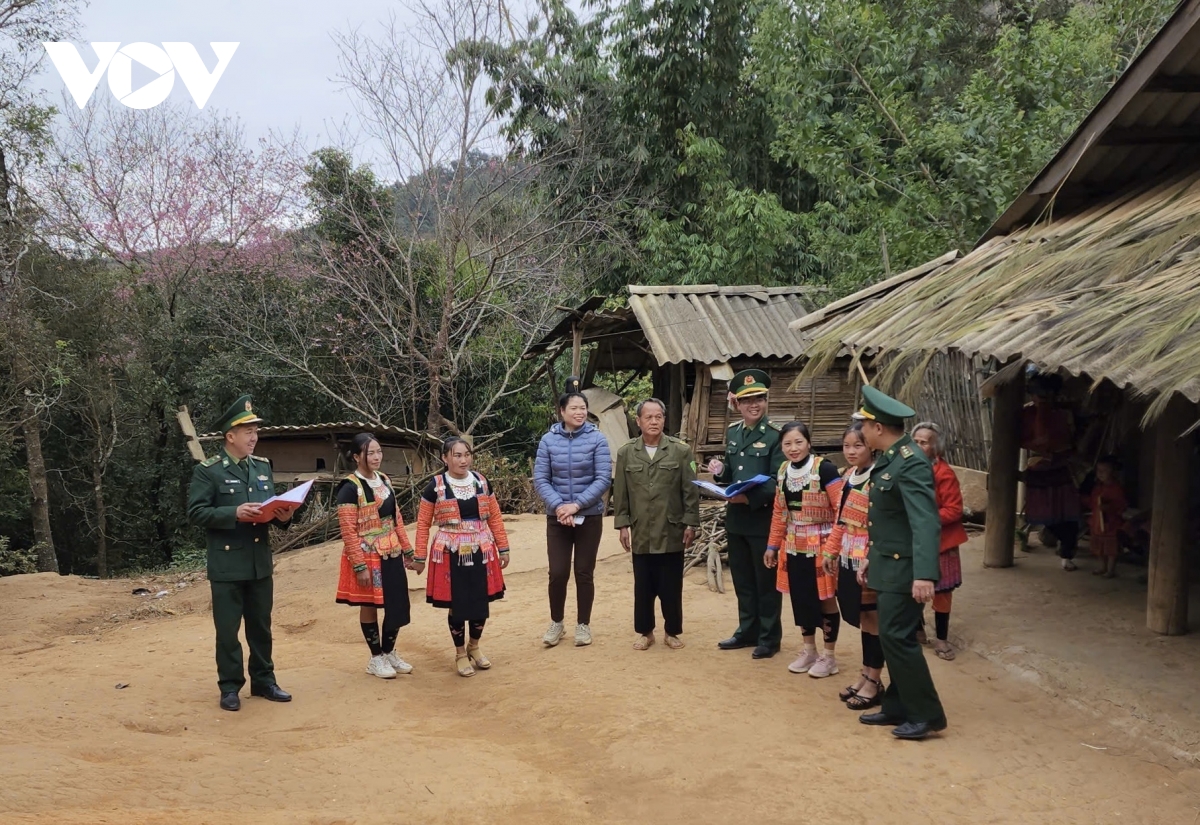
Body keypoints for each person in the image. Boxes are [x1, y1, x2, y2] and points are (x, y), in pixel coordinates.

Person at [187, 395, 296, 712]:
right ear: (229, 436)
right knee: (228, 631)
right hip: (227, 563)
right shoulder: (209, 472)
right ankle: (230, 687)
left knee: (261, 627)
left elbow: (271, 508)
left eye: (256, 430)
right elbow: (196, 513)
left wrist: (284, 516)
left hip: (259, 562)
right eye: (247, 430)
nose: (254, 436)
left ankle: (264, 681)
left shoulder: (261, 468)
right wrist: (233, 512)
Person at [853, 386, 947, 741]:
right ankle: (897, 705)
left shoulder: (909, 461)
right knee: (892, 638)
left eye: (863, 425)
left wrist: (924, 574)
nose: (859, 432)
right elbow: (889, 520)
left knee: (898, 637)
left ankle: (927, 714)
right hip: (887, 563)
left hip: (906, 568)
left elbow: (924, 520)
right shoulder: (893, 457)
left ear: (878, 427)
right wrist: (870, 558)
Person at [413, 437, 511, 677]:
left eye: (466, 454)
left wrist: (504, 547)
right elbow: (424, 523)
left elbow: (495, 517)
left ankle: (474, 647)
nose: (463, 460)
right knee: (457, 604)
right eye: (457, 455)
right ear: (445, 458)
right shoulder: (435, 486)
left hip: (481, 549)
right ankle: (459, 653)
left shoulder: (481, 482)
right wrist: (419, 555)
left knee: (480, 602)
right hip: (449, 553)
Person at [707, 369, 785, 659]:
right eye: (748, 400)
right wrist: (719, 473)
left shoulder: (776, 435)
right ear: (737, 404)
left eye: (760, 399)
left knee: (765, 582)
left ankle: (768, 637)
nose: (754, 404)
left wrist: (747, 498)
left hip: (762, 520)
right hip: (737, 520)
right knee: (743, 580)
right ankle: (746, 630)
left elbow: (778, 481)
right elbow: (731, 471)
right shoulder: (732, 432)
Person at [612, 398, 701, 650]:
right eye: (648, 417)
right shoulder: (626, 452)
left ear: (664, 419)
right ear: (638, 421)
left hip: (672, 528)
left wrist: (691, 523)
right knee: (643, 585)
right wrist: (622, 525)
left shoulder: (680, 451)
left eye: (658, 416)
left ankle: (672, 631)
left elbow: (690, 491)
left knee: (671, 585)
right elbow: (621, 493)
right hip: (641, 530)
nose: (654, 421)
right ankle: (645, 632)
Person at [534, 379, 612, 648]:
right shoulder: (548, 440)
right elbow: (541, 478)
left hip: (588, 517)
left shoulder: (597, 439)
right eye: (574, 408)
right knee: (557, 572)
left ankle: (583, 625)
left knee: (583, 572)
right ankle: (557, 622)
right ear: (562, 411)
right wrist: (559, 507)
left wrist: (576, 505)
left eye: (583, 408)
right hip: (557, 518)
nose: (579, 412)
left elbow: (603, 478)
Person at [764, 421, 843, 677]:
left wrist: (833, 549)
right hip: (792, 544)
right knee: (800, 597)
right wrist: (772, 545)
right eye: (787, 443)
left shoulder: (825, 469)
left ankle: (829, 656)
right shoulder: (784, 470)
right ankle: (809, 650)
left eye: (798, 442)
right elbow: (779, 512)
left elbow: (842, 510)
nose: (793, 448)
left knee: (825, 598)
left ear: (808, 442)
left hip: (822, 544)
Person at [334, 433, 415, 679]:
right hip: (367, 556)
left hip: (391, 552)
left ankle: (389, 651)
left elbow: (396, 519)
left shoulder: (385, 480)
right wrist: (359, 566)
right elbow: (348, 531)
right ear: (357, 456)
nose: (376, 456)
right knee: (370, 605)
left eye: (379, 451)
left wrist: (408, 550)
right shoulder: (349, 488)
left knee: (397, 604)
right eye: (370, 453)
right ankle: (375, 658)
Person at [822, 424, 884, 710]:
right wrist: (831, 551)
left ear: (871, 445)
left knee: (875, 620)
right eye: (847, 446)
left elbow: (882, 525)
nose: (851, 451)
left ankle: (875, 680)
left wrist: (872, 554)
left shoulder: (879, 478)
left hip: (869, 558)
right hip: (848, 554)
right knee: (864, 619)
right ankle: (865, 673)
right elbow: (840, 519)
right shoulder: (848, 476)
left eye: (857, 445)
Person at [913, 422, 968, 662]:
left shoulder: (944, 474)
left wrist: (924, 519)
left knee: (942, 592)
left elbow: (954, 510)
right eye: (915, 441)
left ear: (936, 448)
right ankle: (918, 628)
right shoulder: (908, 469)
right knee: (912, 587)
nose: (918, 446)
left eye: (923, 442)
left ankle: (942, 638)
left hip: (941, 542)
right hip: (914, 539)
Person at [1021, 371, 1081, 571]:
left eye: (1044, 395)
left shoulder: (1064, 414)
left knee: (1068, 515)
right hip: (1038, 469)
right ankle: (1061, 543)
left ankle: (1067, 553)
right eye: (1036, 394)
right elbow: (1023, 440)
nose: (1038, 399)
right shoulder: (1027, 414)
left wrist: (1054, 448)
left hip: (1062, 468)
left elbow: (1071, 441)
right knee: (1042, 513)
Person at [1084, 455, 1127, 578]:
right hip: (1097, 522)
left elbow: (1121, 505)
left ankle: (1110, 570)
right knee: (1099, 547)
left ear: (1113, 472)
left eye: (1104, 471)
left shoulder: (1117, 489)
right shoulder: (1097, 487)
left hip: (1111, 523)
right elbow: (1092, 503)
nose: (1101, 474)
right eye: (1099, 471)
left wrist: (1109, 507)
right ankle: (1102, 567)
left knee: (1111, 549)